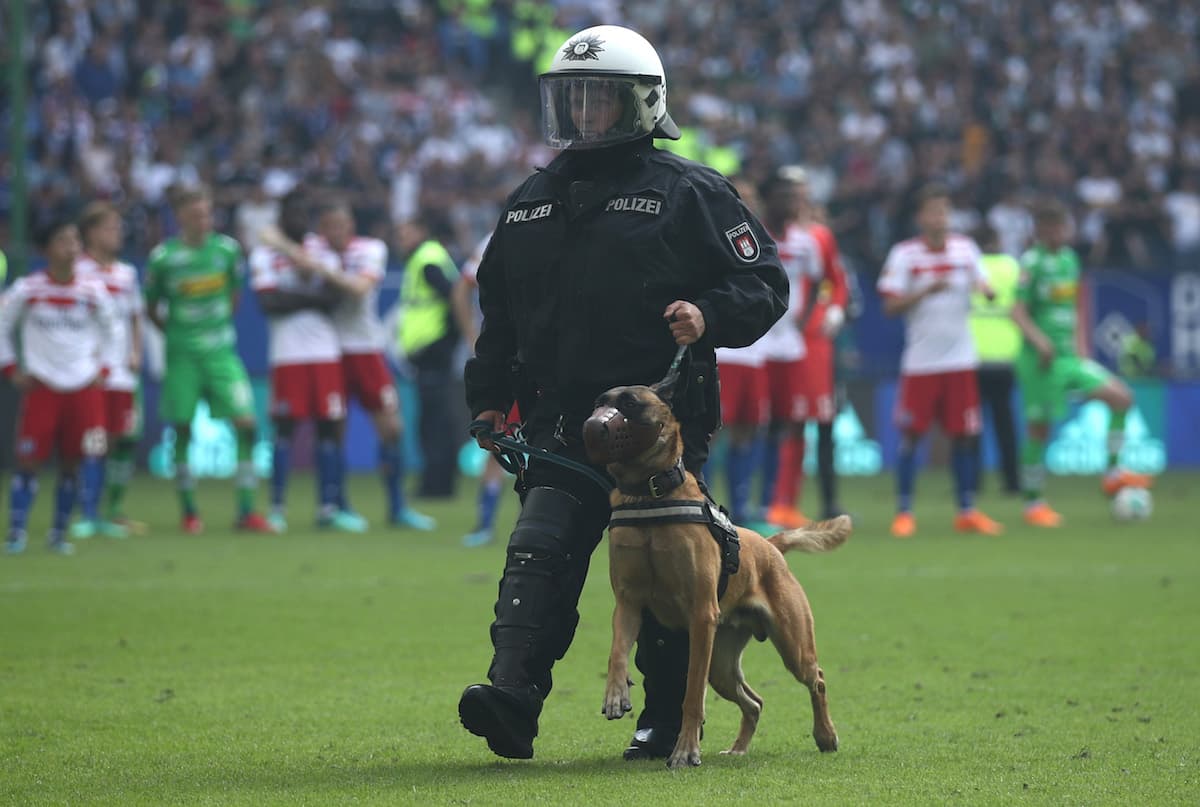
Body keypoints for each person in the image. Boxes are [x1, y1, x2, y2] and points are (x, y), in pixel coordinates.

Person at [457, 24, 787, 763]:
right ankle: (511, 699)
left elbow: (764, 283)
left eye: (598, 97)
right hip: (560, 419)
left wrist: (710, 315)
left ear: (642, 104)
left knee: (669, 569)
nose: (582, 111)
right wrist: (487, 398)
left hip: (659, 422)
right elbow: (500, 316)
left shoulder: (691, 191)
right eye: (570, 96)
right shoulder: (530, 202)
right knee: (537, 552)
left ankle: (665, 719)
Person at [1011, 200, 1153, 527]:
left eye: (1064, 227)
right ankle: (1033, 504)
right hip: (1040, 361)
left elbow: (1074, 308)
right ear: (1040, 230)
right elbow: (1016, 312)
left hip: (1069, 358)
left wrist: (1082, 347)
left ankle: (1113, 473)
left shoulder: (1069, 260)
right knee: (1039, 431)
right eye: (1053, 227)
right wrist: (1039, 341)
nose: (1060, 233)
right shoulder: (1032, 263)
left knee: (1121, 398)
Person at [145, 185, 276, 534]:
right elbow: (152, 308)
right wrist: (178, 333)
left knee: (247, 424)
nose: (204, 221)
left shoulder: (227, 251)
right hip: (183, 355)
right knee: (182, 428)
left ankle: (246, 511)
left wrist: (214, 330)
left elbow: (234, 296)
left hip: (221, 353)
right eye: (195, 215)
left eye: (207, 213)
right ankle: (189, 513)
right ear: (180, 219)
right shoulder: (163, 258)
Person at [877, 184, 1003, 539]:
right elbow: (889, 306)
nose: (939, 218)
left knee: (965, 436)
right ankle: (904, 512)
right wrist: (924, 290)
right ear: (920, 218)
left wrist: (988, 291)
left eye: (944, 212)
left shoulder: (966, 249)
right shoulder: (905, 255)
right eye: (933, 212)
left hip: (961, 359)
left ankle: (966, 510)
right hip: (921, 362)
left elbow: (984, 284)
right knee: (912, 436)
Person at [304, 202, 435, 529]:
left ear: (351, 227)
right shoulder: (313, 251)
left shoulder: (370, 249)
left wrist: (318, 268)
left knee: (392, 428)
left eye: (342, 226)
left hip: (366, 348)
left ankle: (397, 507)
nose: (337, 233)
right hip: (330, 351)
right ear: (323, 228)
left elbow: (360, 288)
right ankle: (335, 507)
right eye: (330, 226)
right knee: (335, 430)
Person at [1, 216, 120, 555]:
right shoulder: (28, 288)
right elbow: (2, 326)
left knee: (75, 460)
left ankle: (58, 533)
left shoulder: (92, 290)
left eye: (74, 240)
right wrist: (11, 367)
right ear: (47, 249)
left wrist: (105, 368)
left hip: (83, 386)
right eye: (64, 240)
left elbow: (114, 331)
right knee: (28, 461)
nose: (72, 247)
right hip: (43, 386)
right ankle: (17, 531)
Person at [251, 190, 364, 533]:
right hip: (287, 354)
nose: (300, 219)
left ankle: (328, 508)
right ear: (282, 217)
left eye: (305, 213)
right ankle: (277, 508)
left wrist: (297, 297)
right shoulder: (264, 253)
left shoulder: (322, 249)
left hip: (325, 352)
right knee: (284, 430)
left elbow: (334, 297)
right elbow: (268, 302)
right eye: (293, 213)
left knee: (329, 429)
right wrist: (312, 297)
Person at [756, 167, 825, 530]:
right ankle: (748, 502)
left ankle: (777, 503)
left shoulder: (806, 242)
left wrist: (805, 317)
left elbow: (818, 281)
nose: (792, 203)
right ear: (770, 200)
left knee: (790, 422)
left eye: (795, 197)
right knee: (753, 424)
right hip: (757, 345)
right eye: (784, 196)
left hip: (790, 345)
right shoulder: (753, 235)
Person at [72, 202, 145, 538]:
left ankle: (113, 510)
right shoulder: (78, 270)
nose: (117, 234)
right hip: (90, 370)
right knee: (93, 440)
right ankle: (87, 512)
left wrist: (136, 351)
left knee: (122, 439)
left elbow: (135, 316)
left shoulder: (126, 273)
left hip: (122, 371)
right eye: (110, 228)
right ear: (91, 232)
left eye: (118, 228)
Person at [794, 171, 850, 520]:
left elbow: (838, 283)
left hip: (821, 344)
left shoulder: (821, 238)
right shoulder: (774, 237)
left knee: (826, 424)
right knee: (790, 423)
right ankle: (783, 502)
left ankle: (829, 503)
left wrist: (836, 311)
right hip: (790, 342)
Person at [451, 231, 511, 547]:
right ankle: (486, 523)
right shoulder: (499, 236)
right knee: (499, 436)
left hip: (549, 355)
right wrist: (472, 336)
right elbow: (461, 288)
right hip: (510, 356)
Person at [396, 213, 461, 499]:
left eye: (406, 233)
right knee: (435, 419)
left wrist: (445, 341)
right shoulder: (425, 257)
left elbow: (453, 297)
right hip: (431, 352)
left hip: (434, 350)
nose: (401, 240)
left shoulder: (426, 259)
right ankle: (437, 482)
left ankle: (436, 485)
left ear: (421, 230)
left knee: (433, 421)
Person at [967, 225, 1022, 496]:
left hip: (973, 357)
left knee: (973, 425)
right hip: (1006, 356)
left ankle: (972, 483)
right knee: (1006, 424)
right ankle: (1012, 481)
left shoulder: (969, 265)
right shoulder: (1011, 267)